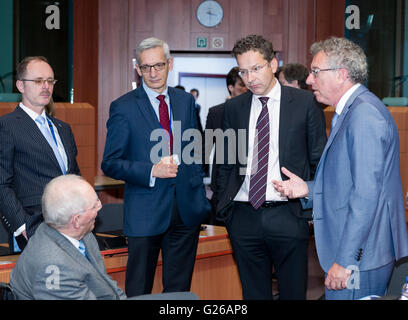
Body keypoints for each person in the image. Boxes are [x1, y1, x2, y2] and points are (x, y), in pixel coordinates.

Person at [272, 37, 408, 300]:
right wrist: (307, 189)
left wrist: (345, 261)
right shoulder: (351, 111)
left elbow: (366, 196)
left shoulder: (364, 115)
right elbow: (349, 184)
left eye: (315, 72)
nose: (309, 80)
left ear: (341, 74)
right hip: (361, 253)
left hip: (361, 258)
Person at [216, 34, 327, 300]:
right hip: (243, 215)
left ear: (273, 64)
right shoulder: (232, 109)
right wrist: (224, 209)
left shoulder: (305, 104)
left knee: (292, 294)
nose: (250, 78)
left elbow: (320, 161)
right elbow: (223, 162)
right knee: (253, 295)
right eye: (243, 71)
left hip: (288, 215)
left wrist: (309, 208)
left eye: (256, 68)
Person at [102, 37, 210, 297]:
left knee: (179, 291)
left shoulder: (185, 101)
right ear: (137, 69)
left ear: (169, 64)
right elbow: (110, 162)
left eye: (159, 65)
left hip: (186, 211)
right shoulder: (123, 107)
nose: (153, 73)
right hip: (144, 213)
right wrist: (151, 170)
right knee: (139, 291)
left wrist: (199, 195)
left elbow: (194, 149)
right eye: (146, 67)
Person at [0, 56, 80, 252]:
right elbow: (1, 183)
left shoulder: (63, 128)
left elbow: (73, 176)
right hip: (34, 228)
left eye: (50, 81)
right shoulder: (7, 126)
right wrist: (21, 226)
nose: (46, 86)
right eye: (38, 81)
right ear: (20, 86)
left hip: (71, 226)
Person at [9, 175, 126, 300]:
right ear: (76, 220)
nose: (100, 206)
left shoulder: (84, 235)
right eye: (94, 205)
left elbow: (105, 282)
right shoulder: (53, 265)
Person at [204, 67, 248, 224]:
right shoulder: (216, 112)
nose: (246, 88)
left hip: (250, 183)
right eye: (241, 85)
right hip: (222, 183)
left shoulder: (257, 110)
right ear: (231, 88)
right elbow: (205, 148)